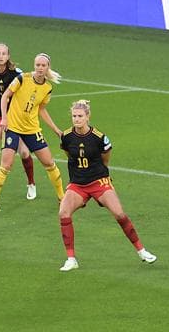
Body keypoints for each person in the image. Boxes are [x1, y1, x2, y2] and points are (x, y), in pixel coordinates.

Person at [56, 99, 157, 271]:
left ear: (88, 117)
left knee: (119, 213)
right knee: (63, 214)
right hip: (78, 184)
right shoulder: (66, 136)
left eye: (80, 116)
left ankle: (142, 251)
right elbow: (68, 154)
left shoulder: (99, 137)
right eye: (74, 116)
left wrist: (100, 176)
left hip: (99, 181)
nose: (76, 119)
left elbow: (105, 159)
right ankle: (71, 259)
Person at [0, 53, 66, 211]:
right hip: (13, 128)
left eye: (43, 65)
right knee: (6, 165)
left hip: (32, 129)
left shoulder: (47, 88)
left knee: (49, 163)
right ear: (34, 65)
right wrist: (4, 118)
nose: (40, 68)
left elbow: (41, 110)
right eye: (37, 65)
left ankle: (62, 198)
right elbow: (5, 96)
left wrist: (56, 130)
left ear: (48, 67)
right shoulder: (22, 78)